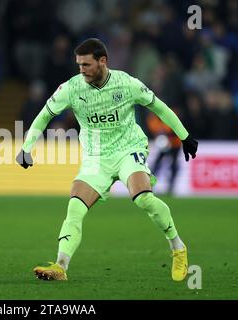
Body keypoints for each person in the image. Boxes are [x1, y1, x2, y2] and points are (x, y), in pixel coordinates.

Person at [16, 38, 198, 282]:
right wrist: (27, 147)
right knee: (74, 209)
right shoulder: (72, 88)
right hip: (96, 157)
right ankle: (61, 266)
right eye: (79, 65)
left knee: (144, 199)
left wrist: (184, 136)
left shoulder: (127, 83)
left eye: (87, 65)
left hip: (128, 149)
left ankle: (178, 247)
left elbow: (160, 108)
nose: (82, 70)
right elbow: (44, 115)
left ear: (103, 61)